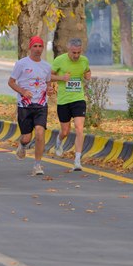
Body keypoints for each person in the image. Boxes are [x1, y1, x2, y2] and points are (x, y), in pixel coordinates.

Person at [8, 36, 53, 176]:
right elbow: (11, 82)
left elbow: (48, 83)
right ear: (30, 47)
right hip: (25, 105)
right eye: (35, 46)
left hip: (41, 105)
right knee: (26, 138)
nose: (38, 49)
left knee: (40, 133)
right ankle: (22, 145)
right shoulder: (21, 64)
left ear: (43, 48)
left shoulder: (47, 66)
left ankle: (37, 165)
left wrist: (50, 89)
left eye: (40, 46)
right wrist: (23, 92)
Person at [51, 38, 91, 171]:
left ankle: (77, 161)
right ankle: (59, 141)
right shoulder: (59, 60)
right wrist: (61, 78)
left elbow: (87, 71)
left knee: (79, 129)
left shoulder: (84, 60)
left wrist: (88, 75)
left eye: (78, 52)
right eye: (74, 53)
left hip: (78, 99)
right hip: (63, 100)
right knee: (65, 131)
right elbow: (49, 76)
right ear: (68, 49)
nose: (76, 55)